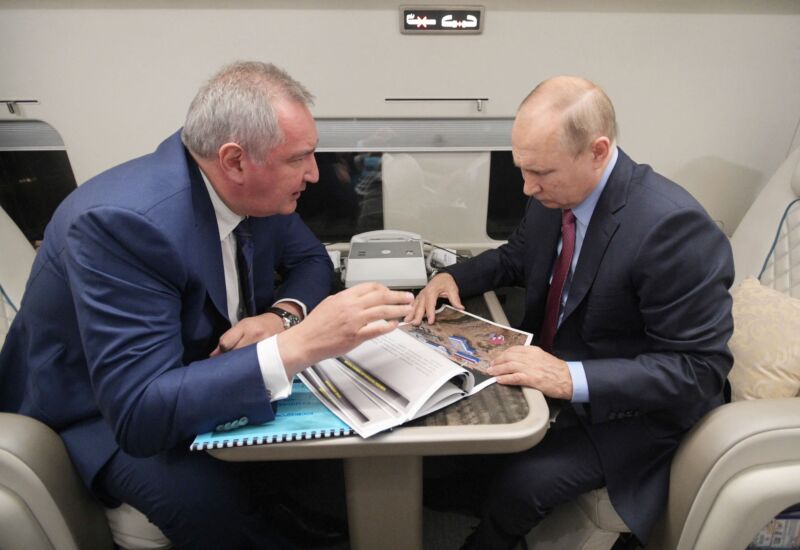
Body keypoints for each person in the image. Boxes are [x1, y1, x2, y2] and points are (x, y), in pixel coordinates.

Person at [0, 61, 414, 549]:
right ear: (235, 160)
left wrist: (281, 317)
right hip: (95, 412)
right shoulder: (123, 226)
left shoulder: (253, 190)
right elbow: (137, 412)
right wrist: (300, 344)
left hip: (192, 368)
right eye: (300, 158)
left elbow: (310, 261)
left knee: (315, 464)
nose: (315, 173)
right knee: (215, 504)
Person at [408, 76, 734, 548]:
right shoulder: (555, 194)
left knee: (521, 484)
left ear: (597, 151)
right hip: (559, 368)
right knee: (451, 435)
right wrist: (454, 278)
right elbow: (516, 256)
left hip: (634, 411)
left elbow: (699, 370)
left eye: (540, 173)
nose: (526, 186)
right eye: (522, 168)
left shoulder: (673, 229)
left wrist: (569, 377)